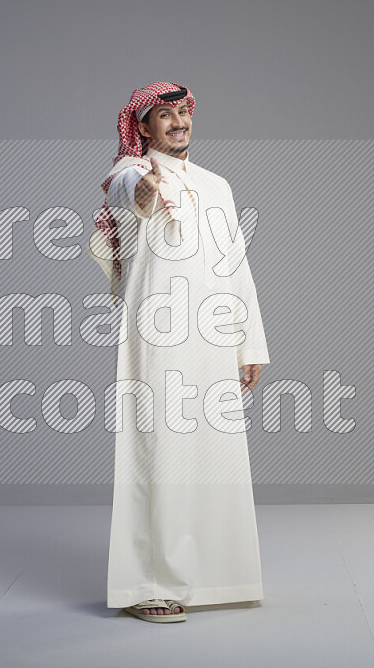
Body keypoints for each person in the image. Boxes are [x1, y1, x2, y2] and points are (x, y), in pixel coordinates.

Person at [88, 82, 271, 623]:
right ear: (142, 127)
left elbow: (237, 269)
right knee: (158, 455)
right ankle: (148, 584)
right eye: (163, 116)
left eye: (183, 114)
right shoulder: (127, 174)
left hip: (214, 340)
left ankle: (214, 577)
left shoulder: (218, 187)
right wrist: (145, 186)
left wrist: (249, 343)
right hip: (157, 338)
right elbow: (129, 195)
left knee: (215, 456)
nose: (177, 123)